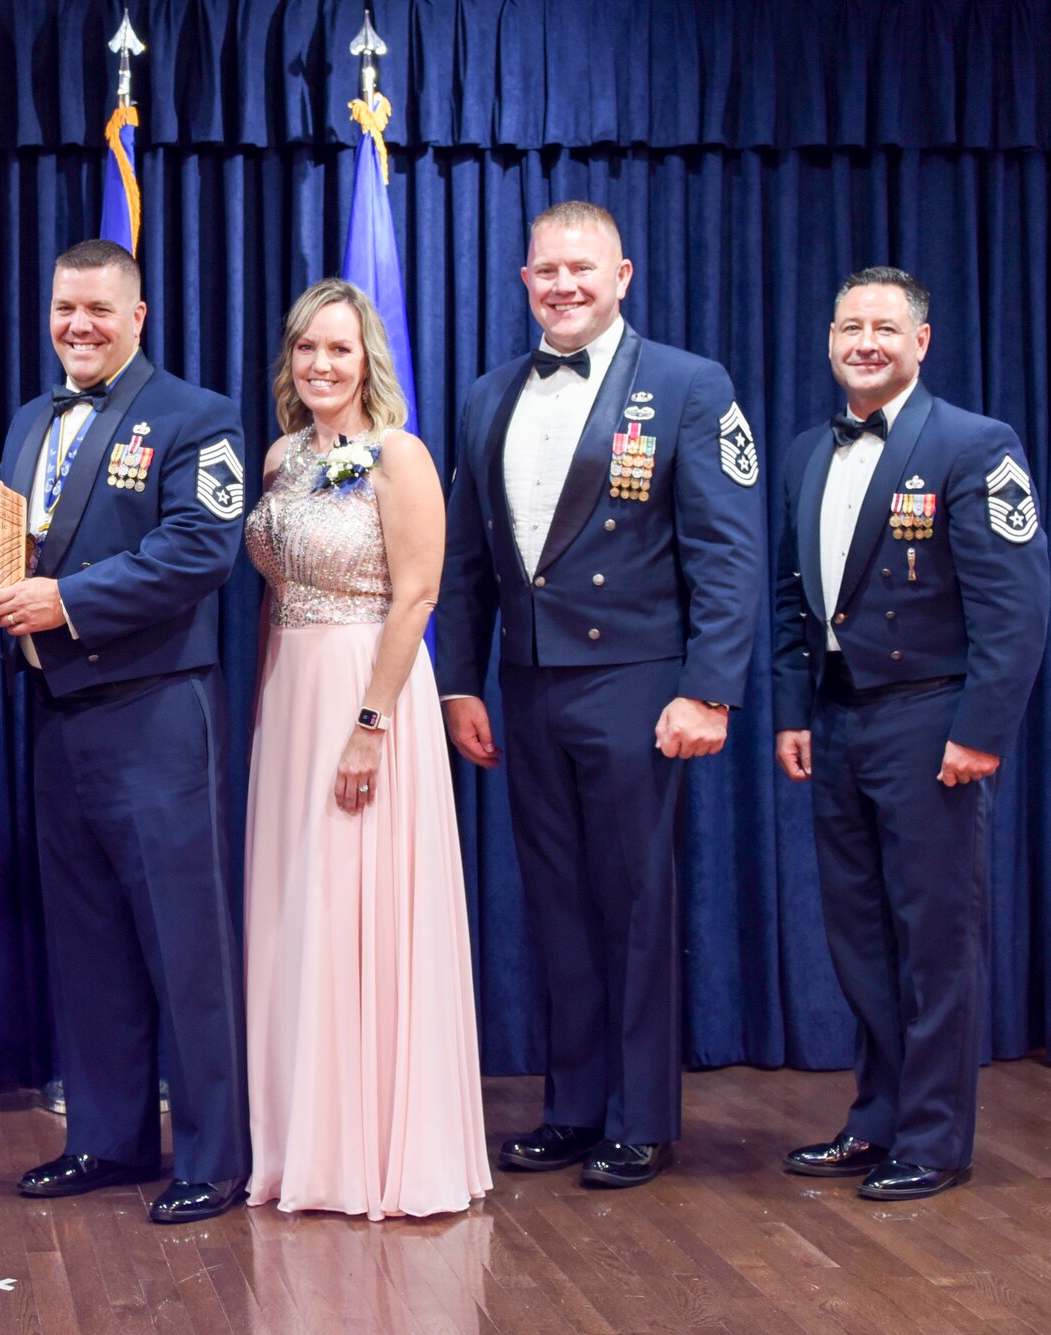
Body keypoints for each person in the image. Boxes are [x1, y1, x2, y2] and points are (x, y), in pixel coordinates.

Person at [435, 200, 765, 1188]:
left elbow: (727, 550)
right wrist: (458, 680)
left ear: (622, 276)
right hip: (527, 688)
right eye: (545, 271)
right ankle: (573, 1107)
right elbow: (465, 563)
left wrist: (708, 690)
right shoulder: (489, 394)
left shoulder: (685, 385)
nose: (562, 285)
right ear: (524, 281)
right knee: (555, 907)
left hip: (635, 685)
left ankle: (640, 1116)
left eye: (582, 268)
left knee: (631, 903)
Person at [0, 239, 251, 1226]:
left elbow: (198, 550)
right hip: (54, 715)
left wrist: (65, 603)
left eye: (97, 309)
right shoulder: (25, 421)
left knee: (185, 948)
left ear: (138, 315)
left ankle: (215, 1157)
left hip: (156, 712)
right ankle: (108, 1137)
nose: (77, 326)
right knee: (87, 942)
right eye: (62, 308)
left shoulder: (196, 415)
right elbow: (8, 545)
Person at [771, 267, 1049, 1200]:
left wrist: (981, 729)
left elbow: (1015, 609)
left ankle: (934, 1137)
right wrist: (791, 711)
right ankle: (878, 1119)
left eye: (885, 327)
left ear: (921, 342)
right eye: (850, 324)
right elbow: (788, 603)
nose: (865, 341)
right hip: (840, 718)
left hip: (934, 721)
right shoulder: (811, 449)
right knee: (858, 938)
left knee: (934, 940)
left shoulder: (976, 444)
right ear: (831, 338)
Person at [242, 279, 492, 1220]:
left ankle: (376, 1153)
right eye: (307, 348)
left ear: (367, 361)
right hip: (291, 695)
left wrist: (370, 723)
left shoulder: (399, 454)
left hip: (368, 694)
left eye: (339, 350)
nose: (321, 366)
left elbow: (419, 594)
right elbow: (272, 597)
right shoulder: (277, 460)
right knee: (300, 910)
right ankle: (303, 1143)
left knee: (362, 904)